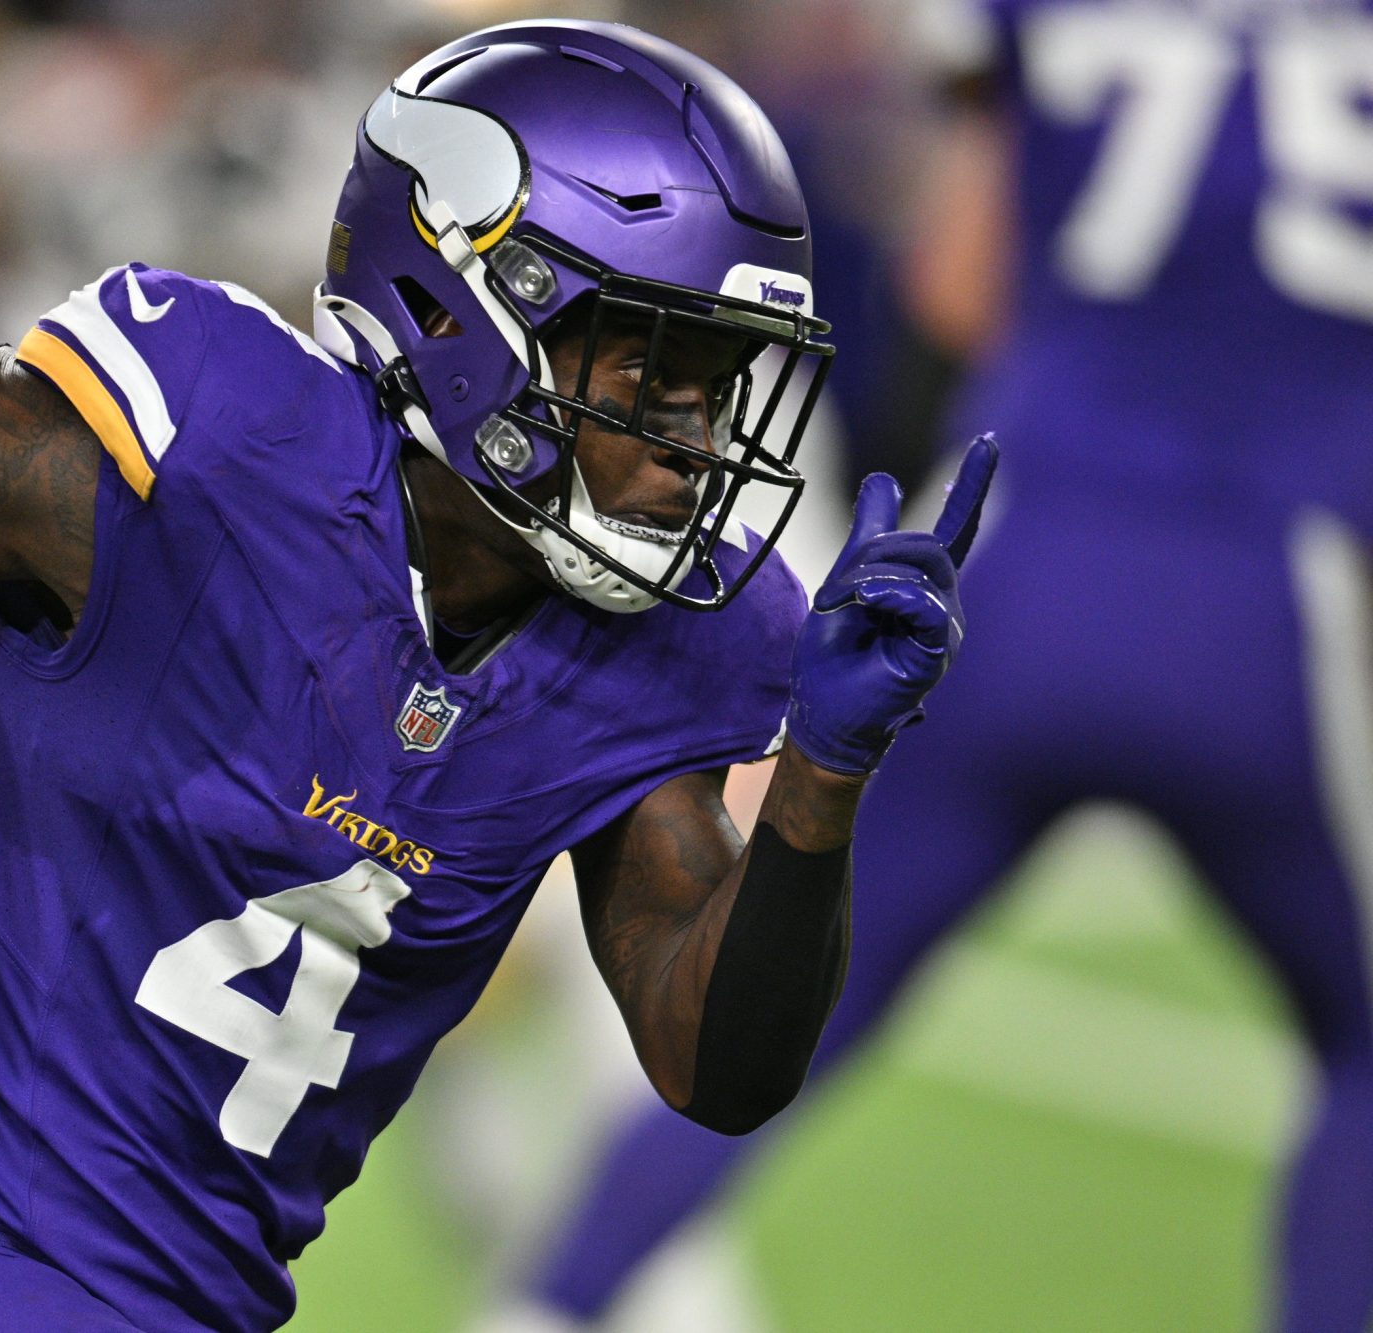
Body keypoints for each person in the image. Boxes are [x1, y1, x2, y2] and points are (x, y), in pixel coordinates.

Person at [0, 20, 994, 1332]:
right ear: (479, 320)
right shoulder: (212, 446)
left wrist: (820, 777)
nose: (693, 437)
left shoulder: (672, 638)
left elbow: (711, 1061)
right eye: (652, 366)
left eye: (719, 379)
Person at [508, 1, 1373, 1329]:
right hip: (1274, 604)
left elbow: (956, 275)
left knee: (774, 991)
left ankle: (545, 1309)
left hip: (1018, 562)